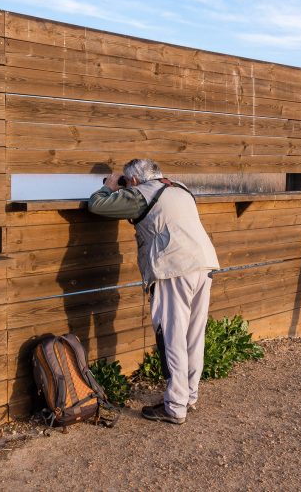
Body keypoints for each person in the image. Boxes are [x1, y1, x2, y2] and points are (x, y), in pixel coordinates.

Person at [88, 159, 219, 425]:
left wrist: (110, 187)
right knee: (194, 336)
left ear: (134, 180)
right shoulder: (179, 188)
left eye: (127, 180)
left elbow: (97, 206)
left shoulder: (141, 193)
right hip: (203, 264)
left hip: (174, 269)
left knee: (171, 337)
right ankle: (188, 396)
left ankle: (175, 407)